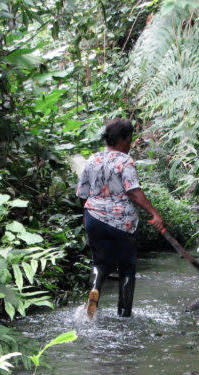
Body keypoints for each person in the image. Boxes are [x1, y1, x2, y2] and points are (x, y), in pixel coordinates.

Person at [76, 118, 164, 318]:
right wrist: (154, 213)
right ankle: (124, 315)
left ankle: (95, 288)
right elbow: (134, 192)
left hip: (94, 218)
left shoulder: (92, 160)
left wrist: (89, 216)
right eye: (130, 139)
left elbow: (82, 194)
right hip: (121, 223)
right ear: (124, 139)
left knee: (99, 263)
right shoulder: (125, 161)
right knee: (126, 267)